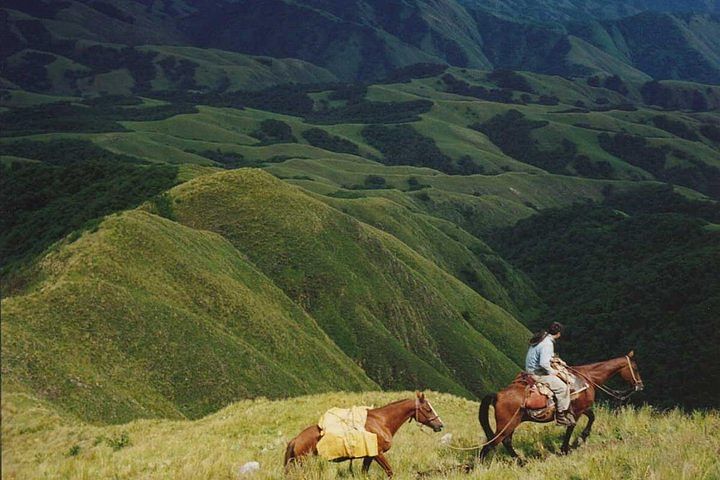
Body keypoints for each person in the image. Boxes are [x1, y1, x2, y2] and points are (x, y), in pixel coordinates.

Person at [525, 321, 575, 426]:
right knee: (562, 387)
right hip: (537, 373)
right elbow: (543, 363)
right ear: (559, 333)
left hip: (530, 369)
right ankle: (561, 416)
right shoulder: (547, 344)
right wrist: (553, 372)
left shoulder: (541, 338)